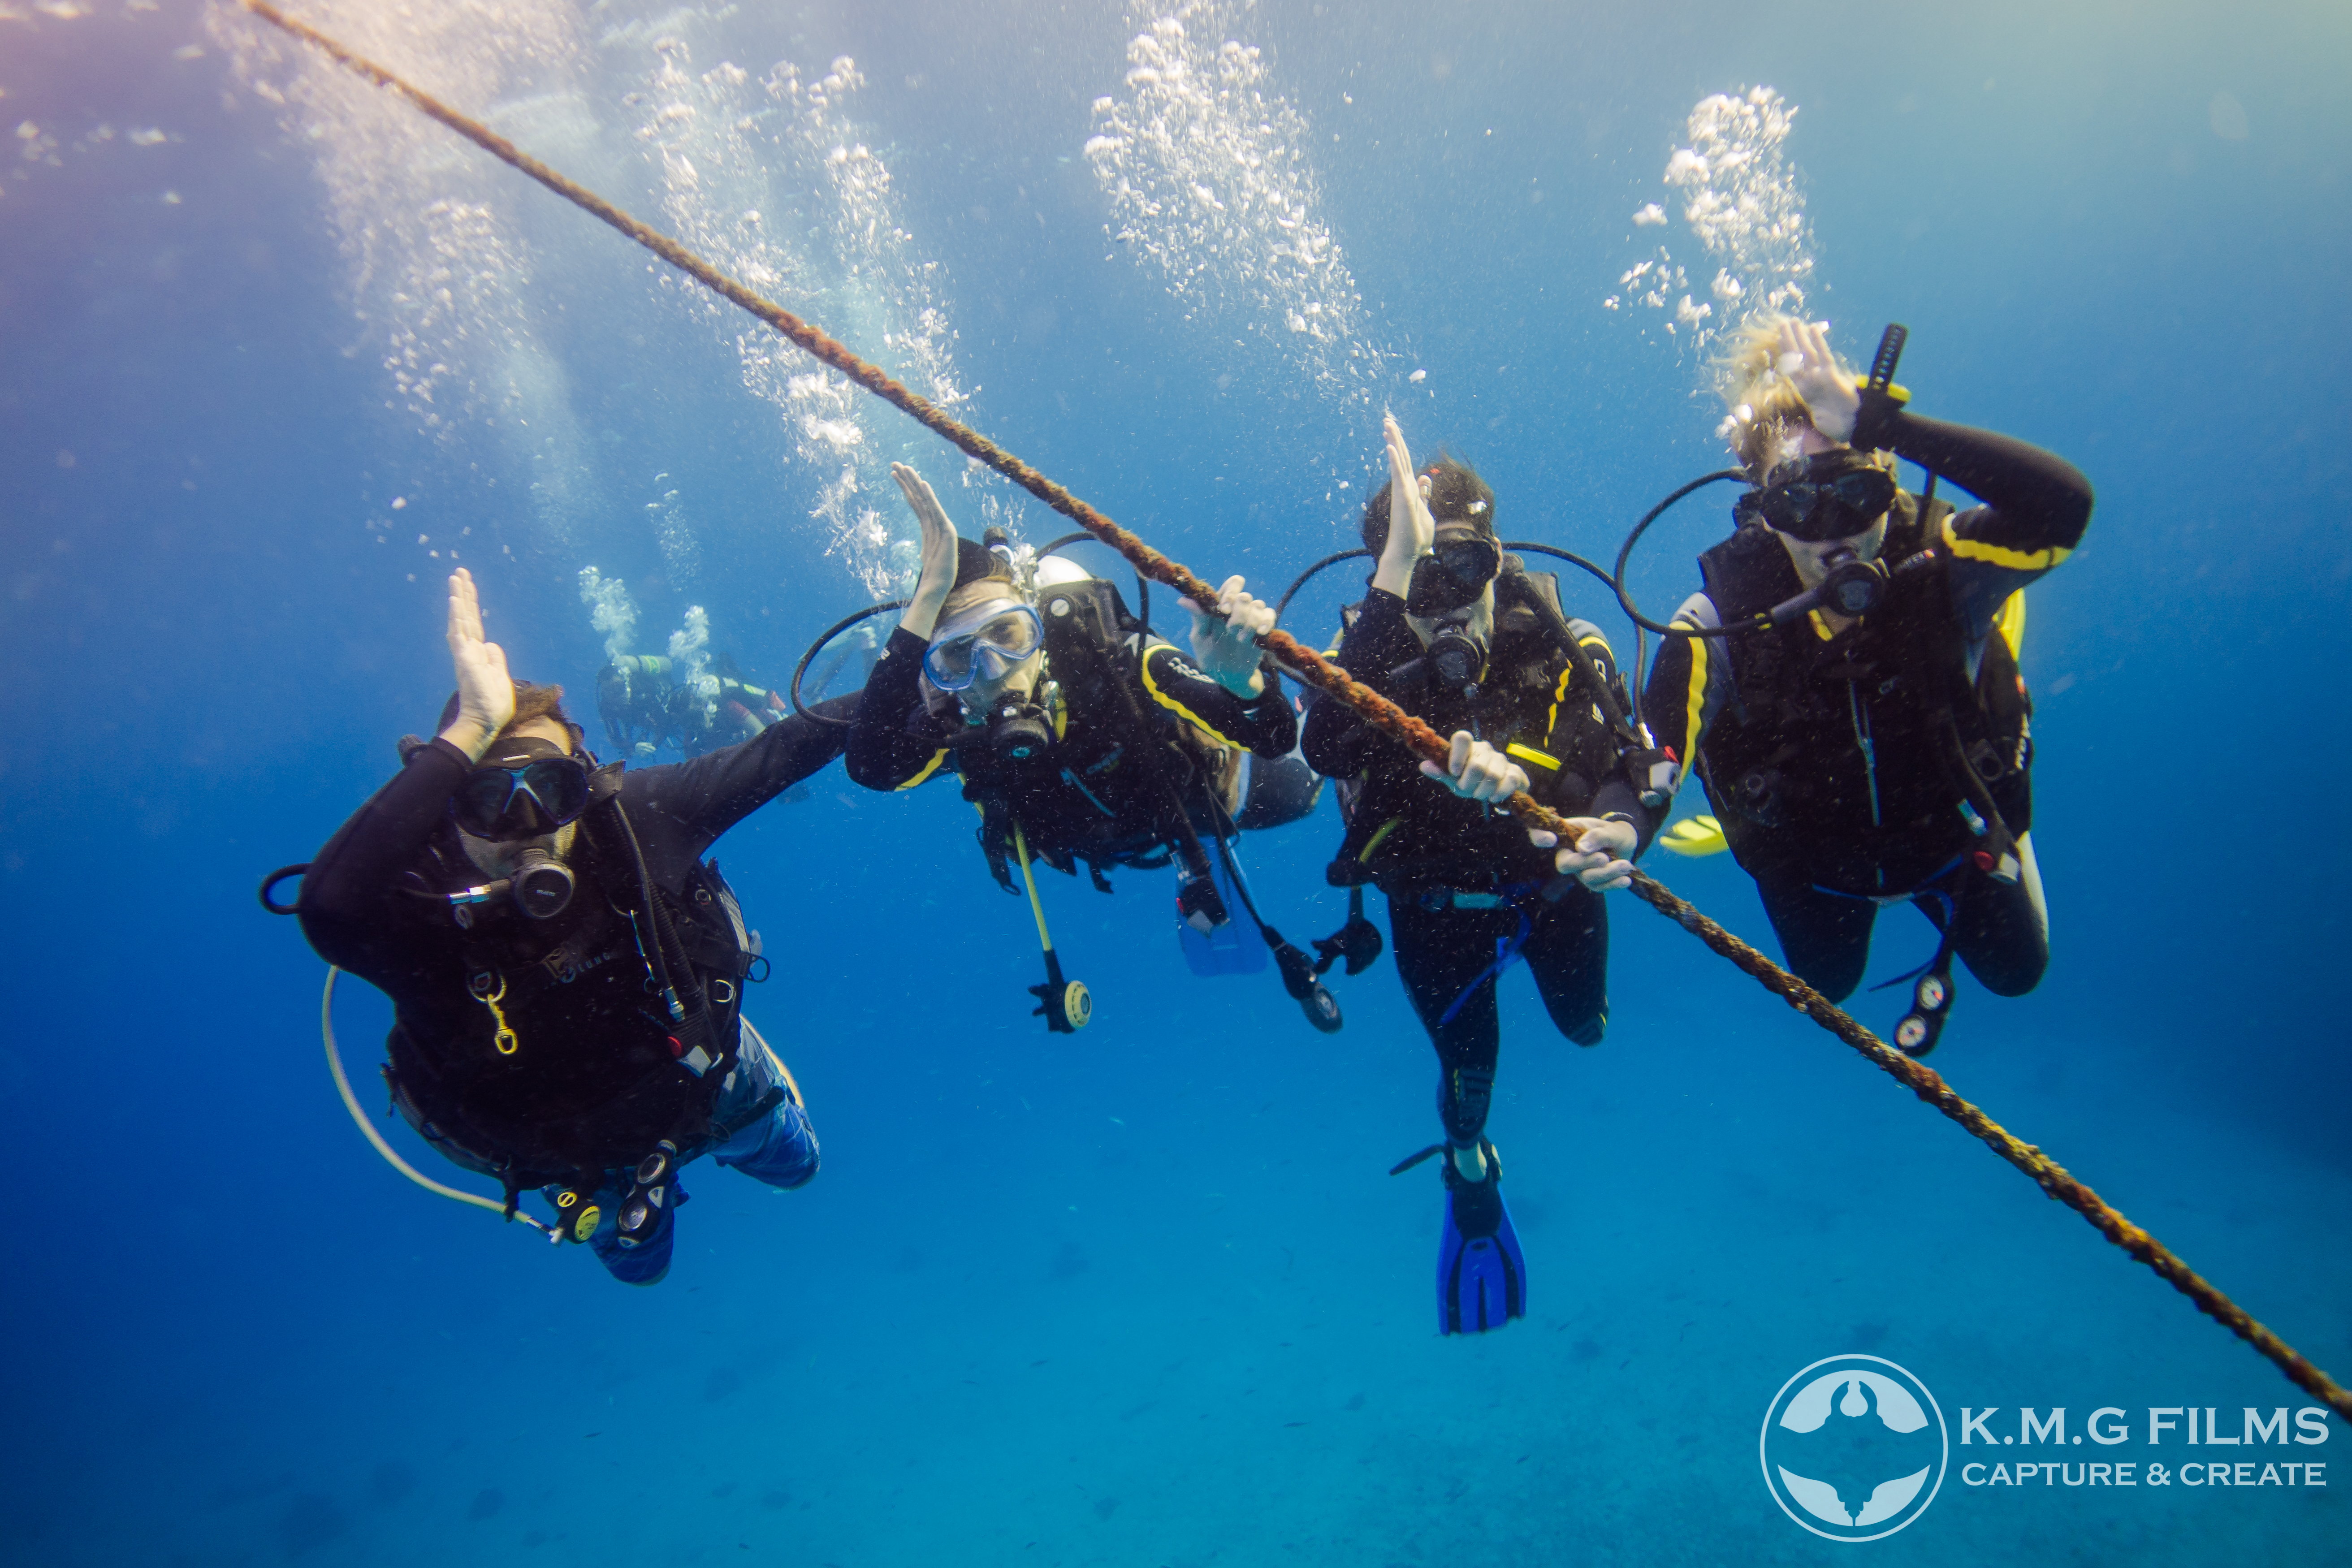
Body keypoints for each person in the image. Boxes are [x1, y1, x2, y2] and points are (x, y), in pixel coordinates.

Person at [296, 569, 853, 1285]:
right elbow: (327, 909)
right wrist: (466, 732)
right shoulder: (415, 909)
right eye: (491, 797)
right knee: (641, 1272)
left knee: (801, 1168)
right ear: (445, 802)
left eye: (552, 789)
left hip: (705, 1079)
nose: (527, 826)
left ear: (582, 784)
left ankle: (746, 1084)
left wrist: (926, 652)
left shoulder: (633, 821)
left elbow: (789, 746)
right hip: (579, 1161)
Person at [1637, 317, 2094, 1056]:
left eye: (1856, 491)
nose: (1832, 534)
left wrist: (1886, 423)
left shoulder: (1953, 562)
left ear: (1890, 475)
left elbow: (2061, 507)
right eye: (1796, 504)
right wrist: (1622, 825)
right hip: (1821, 859)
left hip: (1954, 833)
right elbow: (1650, 758)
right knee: (1826, 980)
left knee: (2018, 971)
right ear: (1760, 506)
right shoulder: (1719, 618)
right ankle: (1743, 826)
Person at [1301, 414, 1666, 1335]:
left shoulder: (1551, 639)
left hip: (1547, 896)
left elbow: (1633, 763)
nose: (1445, 600)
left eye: (1462, 566)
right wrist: (1392, 597)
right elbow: (1323, 741)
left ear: (1497, 559)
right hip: (1432, 915)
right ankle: (1468, 1174)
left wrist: (1616, 826)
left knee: (1585, 1029)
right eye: (1418, 574)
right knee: (1467, 1092)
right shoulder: (1364, 664)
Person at [845, 464, 1333, 1028]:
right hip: (1114, 844)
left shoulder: (1115, 664)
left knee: (1309, 790)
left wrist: (1243, 683)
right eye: (959, 659)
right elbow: (871, 767)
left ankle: (1321, 692)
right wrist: (924, 602)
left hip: (1222, 797)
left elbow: (1271, 738)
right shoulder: (958, 726)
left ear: (1040, 633)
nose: (993, 673)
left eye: (1009, 636)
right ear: (938, 674)